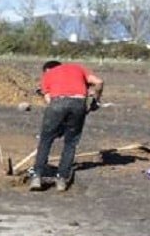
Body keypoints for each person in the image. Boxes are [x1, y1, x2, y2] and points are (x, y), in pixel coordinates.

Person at [31, 60, 104, 192]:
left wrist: (57, 123)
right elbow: (99, 82)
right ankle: (61, 180)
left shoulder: (48, 74)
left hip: (57, 103)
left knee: (45, 140)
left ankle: (37, 177)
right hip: (79, 103)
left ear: (48, 69)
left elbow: (49, 101)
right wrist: (96, 101)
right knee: (70, 143)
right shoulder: (77, 68)